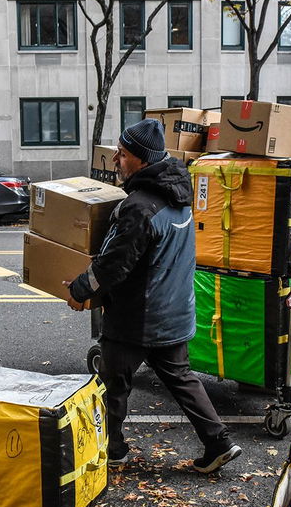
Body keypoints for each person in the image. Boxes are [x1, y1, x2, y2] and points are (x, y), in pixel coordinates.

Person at [64, 118, 241, 474]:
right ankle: (219, 442)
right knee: (182, 378)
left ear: (142, 161)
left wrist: (80, 289)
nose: (115, 158)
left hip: (136, 318)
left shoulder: (139, 207)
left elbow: (113, 265)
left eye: (123, 153)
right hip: (174, 313)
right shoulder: (179, 197)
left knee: (113, 385)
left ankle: (113, 450)